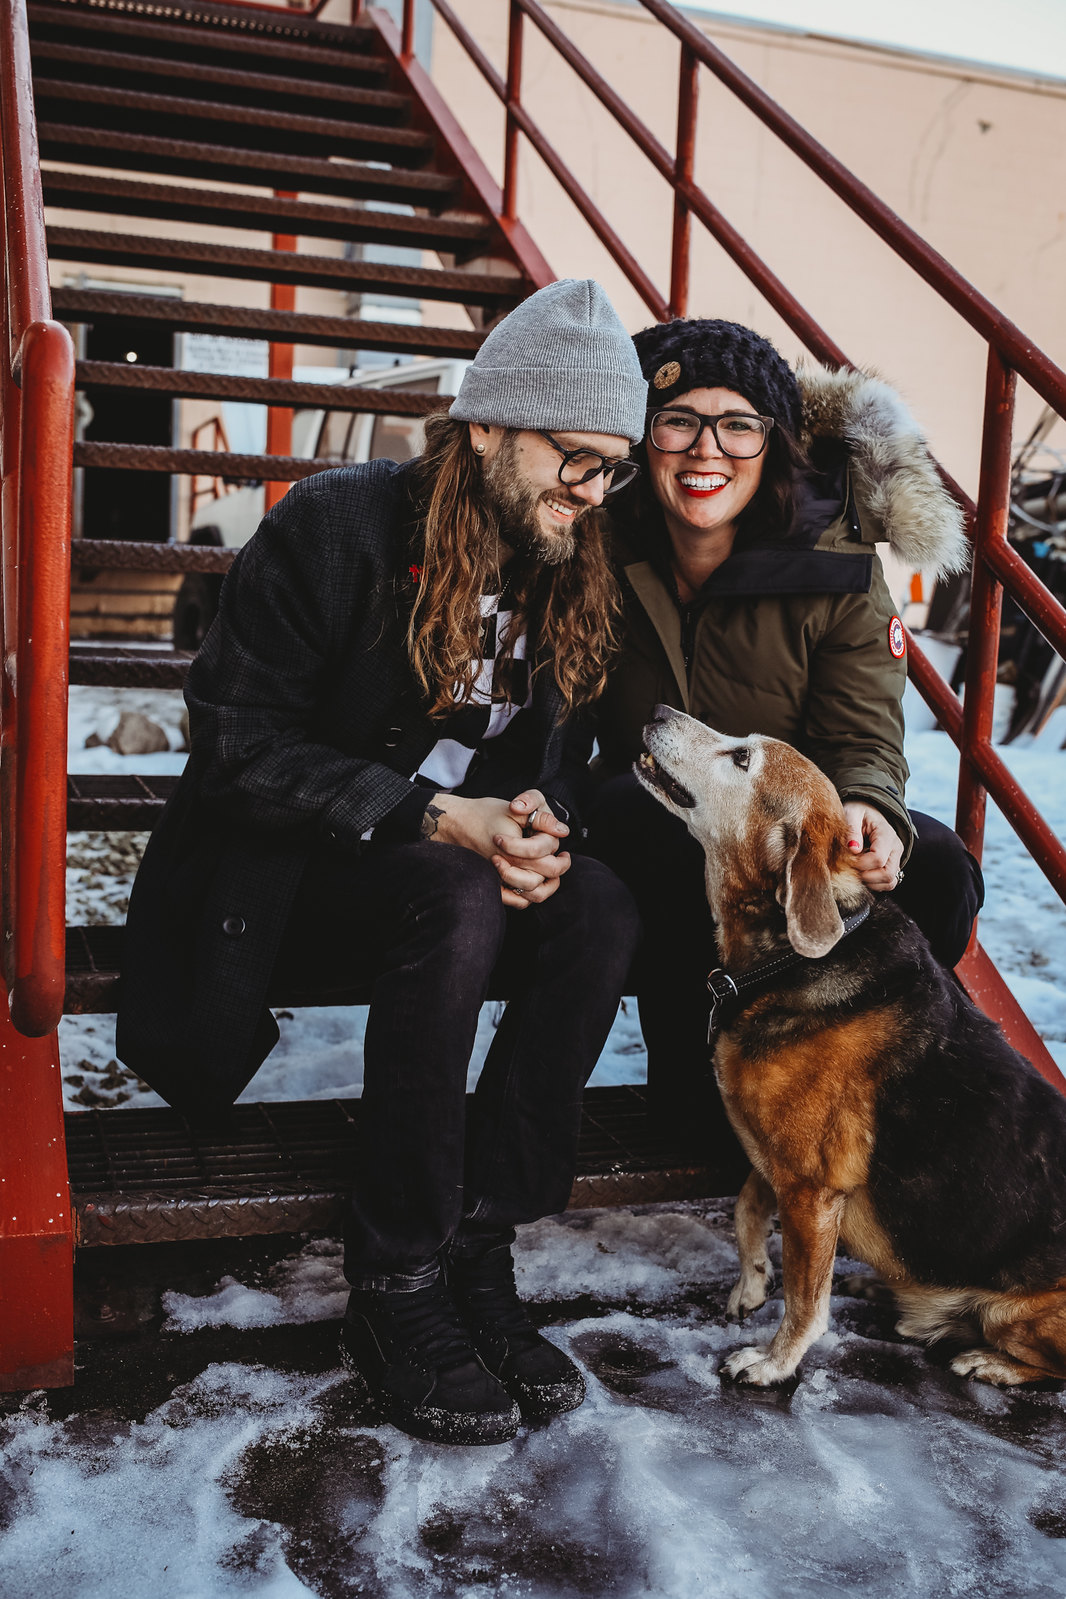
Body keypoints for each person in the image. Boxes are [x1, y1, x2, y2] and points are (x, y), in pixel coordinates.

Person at [116, 279, 646, 1446]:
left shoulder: (563, 557)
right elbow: (238, 747)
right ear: (489, 426)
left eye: (612, 468)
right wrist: (434, 816)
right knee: (454, 891)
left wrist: (541, 821)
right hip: (288, 872)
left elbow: (557, 758)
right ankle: (397, 1276)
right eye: (573, 455)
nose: (591, 489)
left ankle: (479, 1242)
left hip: (440, 865)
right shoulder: (338, 523)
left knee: (600, 907)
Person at [587, 317, 983, 1148]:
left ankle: (862, 1083)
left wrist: (870, 805)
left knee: (940, 868)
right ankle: (699, 1084)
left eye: (739, 425)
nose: (707, 450)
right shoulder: (594, 540)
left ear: (772, 444)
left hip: (782, 818)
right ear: (642, 438)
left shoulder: (835, 561)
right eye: (678, 421)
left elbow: (862, 733)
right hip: (647, 812)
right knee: (650, 821)